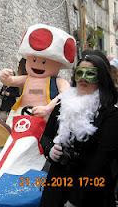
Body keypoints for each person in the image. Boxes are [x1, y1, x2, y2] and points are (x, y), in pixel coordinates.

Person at [40, 53, 118, 207]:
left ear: (101, 77)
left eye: (90, 74)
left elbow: (101, 160)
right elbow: (46, 136)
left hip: (92, 190)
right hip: (57, 182)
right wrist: (50, 150)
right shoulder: (62, 103)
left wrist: (75, 199)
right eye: (79, 72)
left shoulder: (110, 113)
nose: (83, 78)